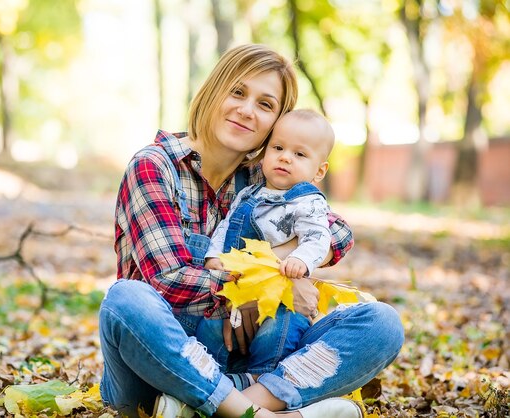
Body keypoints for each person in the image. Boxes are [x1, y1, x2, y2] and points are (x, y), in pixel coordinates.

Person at [99, 44, 404, 418]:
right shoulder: (155, 167)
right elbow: (167, 283)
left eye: (265, 104)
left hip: (250, 363)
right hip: (159, 366)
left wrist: (274, 270)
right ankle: (268, 411)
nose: (247, 110)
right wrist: (244, 290)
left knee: (381, 324)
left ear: (276, 121)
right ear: (214, 91)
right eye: (238, 92)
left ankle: (233, 406)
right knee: (126, 300)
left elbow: (337, 231)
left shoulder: (266, 175)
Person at [204, 108, 336, 281]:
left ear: (319, 171)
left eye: (299, 154)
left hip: (279, 282)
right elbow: (226, 227)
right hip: (233, 282)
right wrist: (214, 254)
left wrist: (300, 258)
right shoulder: (247, 194)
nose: (285, 157)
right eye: (278, 147)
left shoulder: (308, 202)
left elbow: (318, 236)